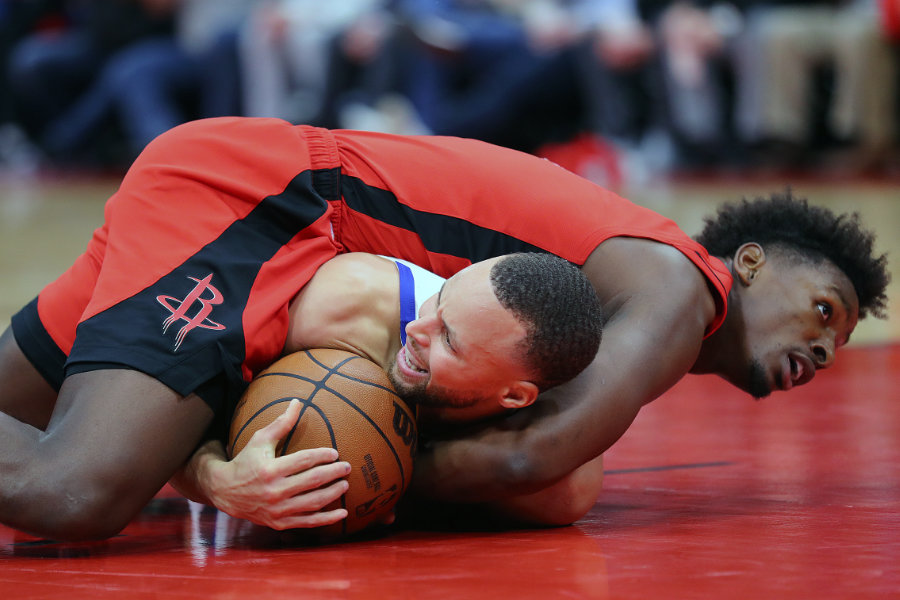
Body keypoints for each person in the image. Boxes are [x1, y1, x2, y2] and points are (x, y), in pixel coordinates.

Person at [0, 116, 888, 540]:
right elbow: (521, 458)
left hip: (267, 208)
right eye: (825, 311)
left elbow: (544, 472)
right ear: (752, 260)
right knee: (70, 493)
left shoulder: (624, 301)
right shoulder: (677, 288)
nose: (820, 348)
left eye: (835, 345)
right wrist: (336, 471)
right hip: (270, 200)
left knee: (25, 429)